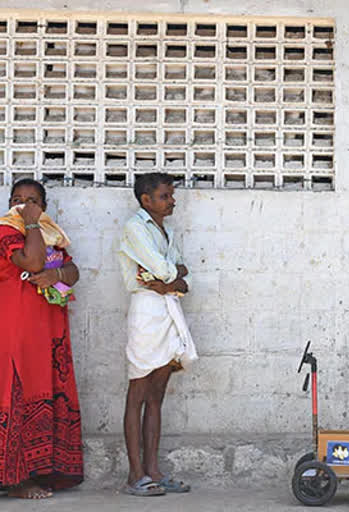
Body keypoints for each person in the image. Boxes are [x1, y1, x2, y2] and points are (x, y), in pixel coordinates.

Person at [0, 179, 83, 499]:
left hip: (47, 328)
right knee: (16, 390)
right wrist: (30, 221)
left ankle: (40, 472)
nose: (23, 205)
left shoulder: (51, 234)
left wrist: (58, 275)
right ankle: (17, 481)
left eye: (32, 200)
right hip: (15, 328)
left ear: (44, 206)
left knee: (45, 389)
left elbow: (71, 269)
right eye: (17, 199)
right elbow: (32, 262)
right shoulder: (6, 232)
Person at [117, 173, 197, 497]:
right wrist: (170, 277)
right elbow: (167, 270)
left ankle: (154, 470)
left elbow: (181, 271)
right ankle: (135, 474)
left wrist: (169, 279)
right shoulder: (135, 228)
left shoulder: (167, 230)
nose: (172, 200)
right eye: (165, 196)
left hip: (167, 307)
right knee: (138, 391)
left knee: (157, 394)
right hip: (147, 311)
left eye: (171, 195)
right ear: (146, 200)